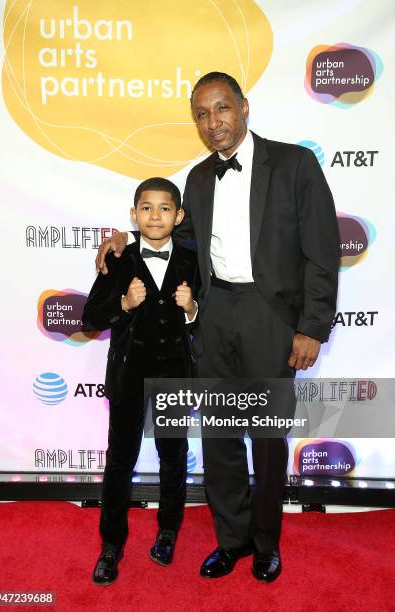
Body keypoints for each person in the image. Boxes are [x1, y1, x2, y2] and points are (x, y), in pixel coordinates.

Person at [95, 72, 340, 582]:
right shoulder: (199, 178)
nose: (213, 123)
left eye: (222, 109)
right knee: (221, 433)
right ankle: (232, 539)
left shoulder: (294, 164)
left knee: (267, 436)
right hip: (214, 314)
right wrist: (121, 236)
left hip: (272, 318)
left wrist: (312, 327)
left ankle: (267, 541)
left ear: (244, 107)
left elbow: (322, 251)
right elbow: (169, 231)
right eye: (202, 115)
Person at [82, 177, 200, 585]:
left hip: (174, 375)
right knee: (120, 460)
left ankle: (168, 532)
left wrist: (192, 309)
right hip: (129, 374)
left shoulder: (190, 258)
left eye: (164, 208)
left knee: (173, 457)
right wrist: (123, 303)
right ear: (134, 215)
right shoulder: (119, 258)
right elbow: (89, 317)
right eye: (146, 208)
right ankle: (111, 545)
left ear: (178, 216)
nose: (155, 216)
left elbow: (208, 317)